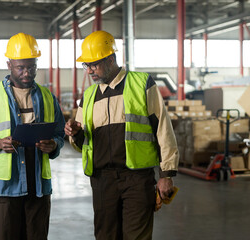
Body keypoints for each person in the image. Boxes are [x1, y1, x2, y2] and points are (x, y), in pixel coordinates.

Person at [64, 30, 179, 240]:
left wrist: (166, 175)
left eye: (94, 64)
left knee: (136, 236)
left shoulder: (142, 84)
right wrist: (75, 133)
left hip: (137, 179)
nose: (89, 70)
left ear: (111, 59)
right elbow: (83, 144)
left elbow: (163, 129)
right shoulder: (88, 96)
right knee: (105, 236)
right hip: (102, 181)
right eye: (86, 65)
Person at [0, 32, 65, 240]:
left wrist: (54, 145)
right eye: (20, 67)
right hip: (5, 187)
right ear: (9, 64)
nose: (27, 73)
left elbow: (59, 133)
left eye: (31, 67)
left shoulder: (48, 97)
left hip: (38, 185)